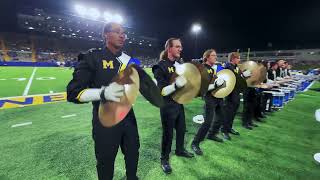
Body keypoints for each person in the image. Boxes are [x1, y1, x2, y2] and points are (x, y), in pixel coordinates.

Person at [67, 22, 140, 180]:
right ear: (105, 35)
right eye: (117, 32)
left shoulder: (128, 60)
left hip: (128, 117)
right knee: (106, 161)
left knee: (133, 153)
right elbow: (72, 92)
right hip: (105, 120)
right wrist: (103, 93)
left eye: (124, 33)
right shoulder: (93, 57)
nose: (122, 35)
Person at [152, 38, 194, 174]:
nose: (180, 49)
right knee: (168, 133)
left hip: (179, 103)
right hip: (167, 105)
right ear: (169, 49)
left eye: (181, 47)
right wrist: (176, 85)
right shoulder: (160, 66)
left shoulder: (179, 65)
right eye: (177, 46)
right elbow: (162, 91)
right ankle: (164, 159)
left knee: (181, 129)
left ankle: (180, 150)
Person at [191, 49, 225, 156]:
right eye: (213, 55)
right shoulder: (203, 69)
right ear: (207, 57)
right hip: (209, 97)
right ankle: (195, 143)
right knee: (207, 121)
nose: (216, 57)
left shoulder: (211, 68)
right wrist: (215, 85)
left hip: (217, 96)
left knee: (221, 116)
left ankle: (212, 134)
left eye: (216, 55)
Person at [222, 52, 251, 140]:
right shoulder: (228, 67)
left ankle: (229, 128)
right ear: (233, 58)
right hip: (230, 93)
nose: (239, 60)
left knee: (234, 112)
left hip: (236, 93)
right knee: (228, 112)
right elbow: (233, 78)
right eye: (238, 58)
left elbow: (239, 78)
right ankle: (224, 130)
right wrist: (242, 76)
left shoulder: (236, 67)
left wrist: (245, 76)